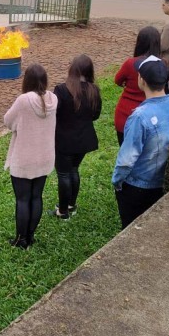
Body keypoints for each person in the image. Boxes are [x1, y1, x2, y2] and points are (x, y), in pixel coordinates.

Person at [112, 56, 169, 229]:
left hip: (136, 185)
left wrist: (117, 181)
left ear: (142, 80)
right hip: (162, 182)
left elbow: (126, 160)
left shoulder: (140, 116)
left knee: (130, 229)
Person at [4, 63, 57, 249]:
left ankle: (21, 239)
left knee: (23, 199)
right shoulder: (54, 99)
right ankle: (30, 235)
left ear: (27, 80)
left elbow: (8, 121)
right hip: (45, 156)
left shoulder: (24, 100)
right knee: (37, 197)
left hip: (25, 157)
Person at [51, 54, 101, 220]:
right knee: (73, 170)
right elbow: (96, 115)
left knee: (64, 174)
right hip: (84, 139)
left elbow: (54, 114)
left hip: (64, 140)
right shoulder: (94, 90)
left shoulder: (61, 90)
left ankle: (63, 212)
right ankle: (71, 204)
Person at [114, 26, 161, 146]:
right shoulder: (161, 64)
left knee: (125, 153)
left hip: (125, 114)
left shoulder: (130, 63)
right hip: (151, 116)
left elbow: (117, 80)